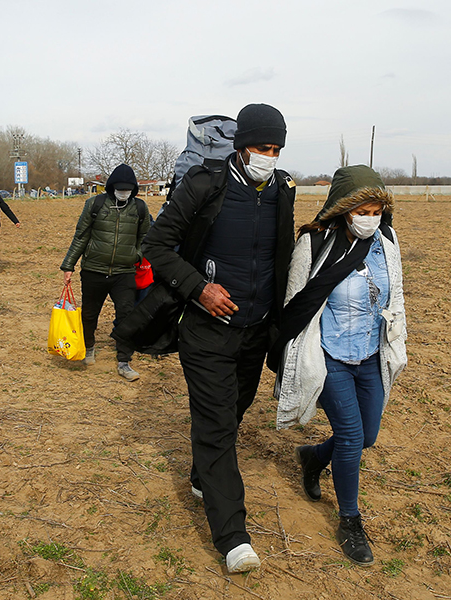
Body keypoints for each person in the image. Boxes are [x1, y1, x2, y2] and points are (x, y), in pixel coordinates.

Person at [141, 103, 296, 573]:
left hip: (255, 330)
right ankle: (233, 537)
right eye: (260, 147)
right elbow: (155, 246)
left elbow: (284, 253)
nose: (268, 156)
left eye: (276, 148)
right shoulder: (205, 185)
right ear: (240, 145)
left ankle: (199, 472)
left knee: (233, 411)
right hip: (206, 331)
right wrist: (199, 289)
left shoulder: (282, 191)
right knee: (217, 427)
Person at [271, 165, 407, 566]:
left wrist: (397, 341)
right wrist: (290, 360)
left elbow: (395, 295)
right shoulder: (314, 244)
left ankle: (313, 457)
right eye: (363, 210)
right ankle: (350, 520)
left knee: (368, 435)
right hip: (329, 356)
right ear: (344, 209)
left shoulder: (387, 240)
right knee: (350, 437)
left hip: (370, 354)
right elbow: (295, 305)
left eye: (377, 209)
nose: (371, 217)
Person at [59, 164, 150, 381]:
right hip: (94, 270)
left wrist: (136, 255)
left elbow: (146, 237)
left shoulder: (140, 208)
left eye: (128, 189)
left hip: (124, 272)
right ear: (111, 187)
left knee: (126, 316)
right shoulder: (95, 204)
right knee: (89, 314)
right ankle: (88, 347)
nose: (123, 192)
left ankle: (124, 360)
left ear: (133, 189)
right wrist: (68, 266)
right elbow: (80, 236)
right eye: (120, 188)